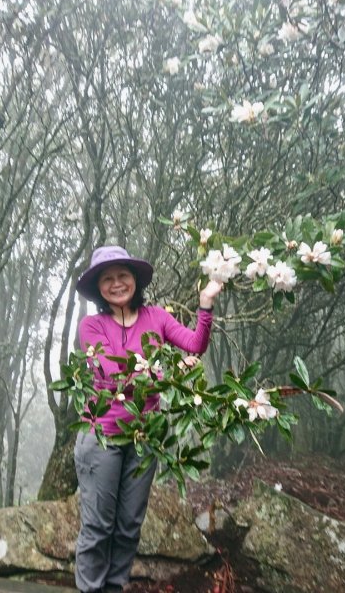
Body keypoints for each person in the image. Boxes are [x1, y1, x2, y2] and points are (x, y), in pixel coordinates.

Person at [74, 245, 222, 593]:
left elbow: (195, 345)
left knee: (128, 525)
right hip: (102, 438)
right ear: (98, 287)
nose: (116, 284)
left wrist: (205, 304)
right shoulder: (91, 325)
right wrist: (170, 373)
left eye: (122, 275)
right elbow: (114, 374)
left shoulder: (157, 317)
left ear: (135, 280)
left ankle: (114, 588)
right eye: (107, 279)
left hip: (145, 437)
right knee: (98, 528)